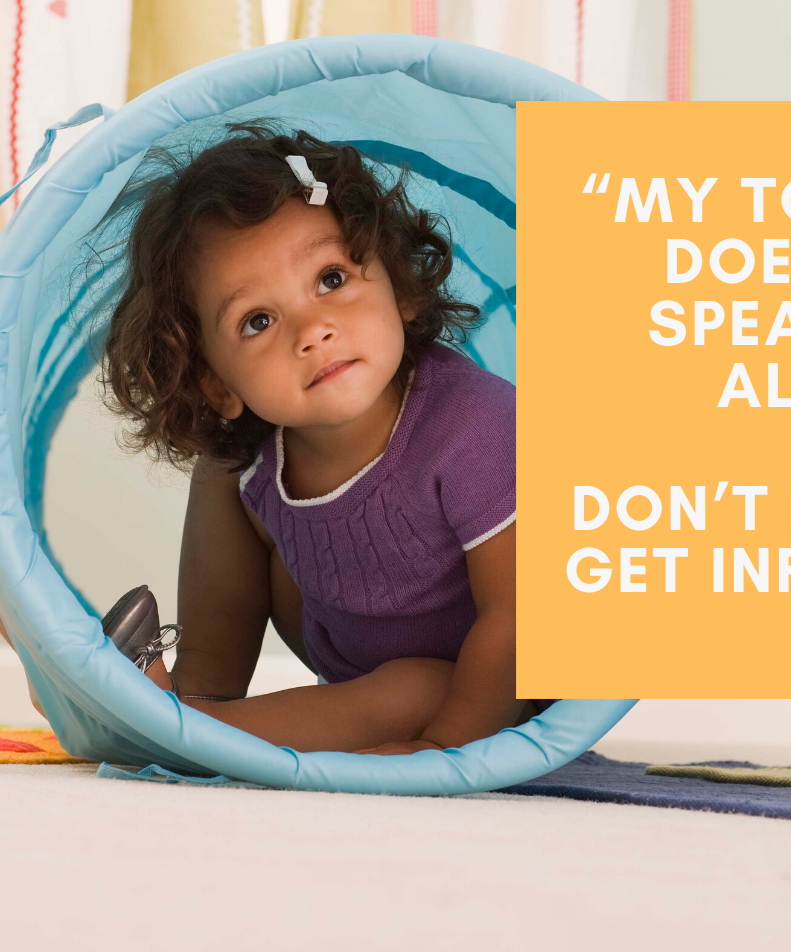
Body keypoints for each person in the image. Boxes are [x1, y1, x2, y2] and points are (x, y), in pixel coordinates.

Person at [68, 123, 542, 755]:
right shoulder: (251, 456)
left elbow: (520, 621)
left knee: (416, 689)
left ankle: (169, 735)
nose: (313, 329)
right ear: (218, 385)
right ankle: (190, 707)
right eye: (257, 320)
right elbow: (223, 606)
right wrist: (207, 680)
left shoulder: (476, 423)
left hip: (497, 687)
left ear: (397, 284)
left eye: (331, 280)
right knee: (227, 465)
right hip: (350, 649)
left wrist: (447, 758)